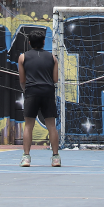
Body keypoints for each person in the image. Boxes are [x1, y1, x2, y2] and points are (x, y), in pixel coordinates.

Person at [18, 30, 61, 167]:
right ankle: (55, 158)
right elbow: (55, 79)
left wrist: (26, 91)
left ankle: (26, 158)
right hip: (48, 92)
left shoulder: (22, 57)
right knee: (51, 126)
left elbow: (22, 80)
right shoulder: (52, 58)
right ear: (43, 42)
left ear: (29, 43)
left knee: (28, 126)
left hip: (32, 92)